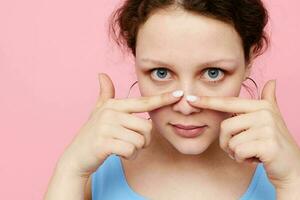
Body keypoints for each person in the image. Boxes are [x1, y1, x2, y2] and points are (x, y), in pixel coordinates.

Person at [44, 0, 300, 199]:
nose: (186, 105)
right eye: (161, 73)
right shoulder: (93, 172)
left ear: (249, 60)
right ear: (135, 59)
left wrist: (293, 180)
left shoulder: (282, 170)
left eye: (213, 73)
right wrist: (70, 169)